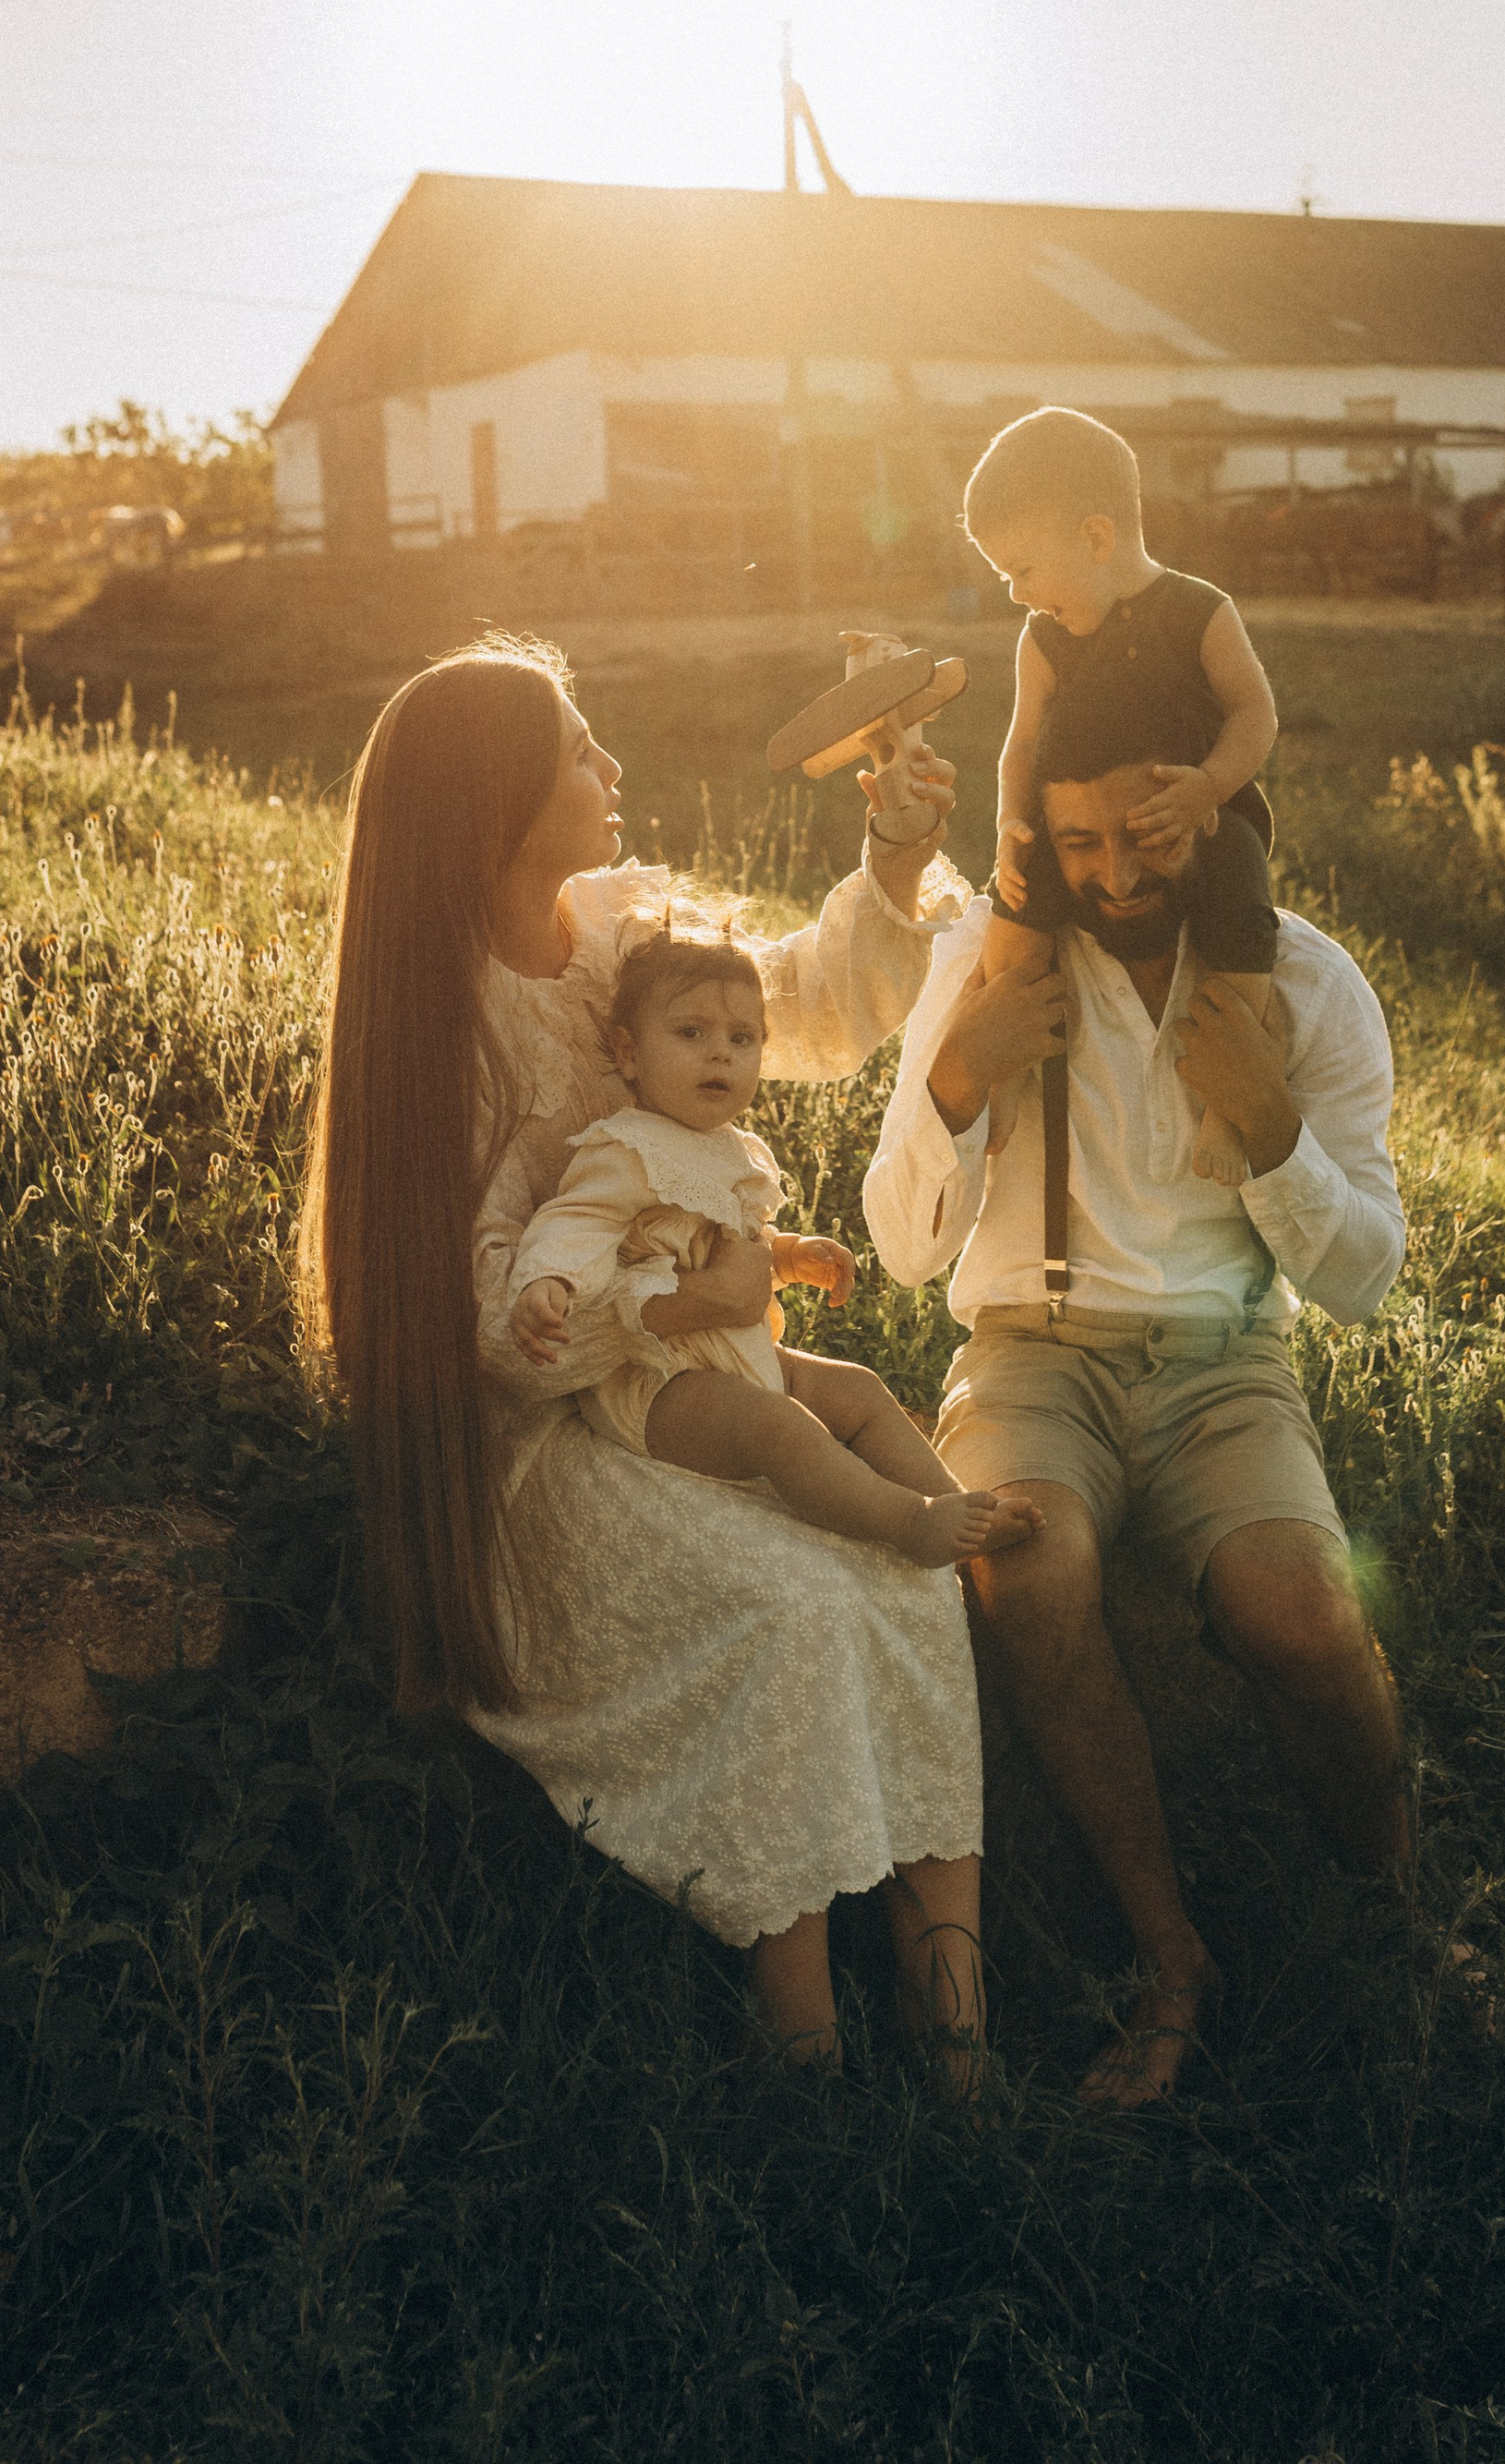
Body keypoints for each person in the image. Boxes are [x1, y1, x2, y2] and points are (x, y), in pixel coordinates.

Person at [303, 634, 987, 2079]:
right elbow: (493, 1334)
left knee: (904, 1577)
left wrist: (893, 855)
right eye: (579, 753)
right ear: (497, 806)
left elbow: (783, 1006)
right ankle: (804, 2056)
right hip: (552, 1443)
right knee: (796, 1603)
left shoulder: (614, 922)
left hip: (697, 1390)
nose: (613, 771)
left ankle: (955, 2022)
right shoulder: (444, 1035)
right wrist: (651, 1312)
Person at [862, 657, 1409, 2108]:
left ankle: (1404, 1898)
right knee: (1028, 1566)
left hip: (1231, 1361)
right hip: (1028, 1354)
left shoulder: (1306, 980)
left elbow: (1364, 1281)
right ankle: (1172, 1960)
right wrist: (960, 1083)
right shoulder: (986, 959)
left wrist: (1273, 1132)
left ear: (1215, 813)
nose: (1111, 874)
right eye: (1077, 844)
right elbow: (905, 1250)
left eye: (1147, 837)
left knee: (1299, 1609)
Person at [508, 914, 1040, 1567]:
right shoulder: (627, 1147)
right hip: (661, 1381)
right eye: (690, 1033)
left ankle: (958, 1506)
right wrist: (549, 1281)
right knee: (777, 1427)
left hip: (736, 1354)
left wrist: (788, 1255)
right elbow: (575, 1221)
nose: (719, 1054)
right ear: (628, 1053)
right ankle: (910, 1521)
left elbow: (735, 1241)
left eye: (742, 1038)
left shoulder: (731, 1150)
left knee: (859, 1389)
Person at [963, 405, 1282, 1182]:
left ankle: (1226, 1108)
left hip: (1195, 820)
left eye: (1024, 570)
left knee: (1239, 893)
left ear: (1097, 539)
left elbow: (1255, 713)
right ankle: (999, 1068)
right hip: (1078, 830)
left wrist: (1208, 787)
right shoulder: (1042, 640)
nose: (1017, 594)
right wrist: (1009, 819)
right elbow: (1024, 742)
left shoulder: (1198, 613)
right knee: (1021, 882)